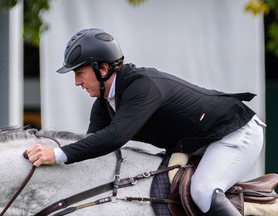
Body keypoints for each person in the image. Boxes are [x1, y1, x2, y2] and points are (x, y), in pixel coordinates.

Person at [26, 28, 265, 215]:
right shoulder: (103, 105)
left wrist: (56, 154)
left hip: (235, 133)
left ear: (104, 68)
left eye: (79, 73)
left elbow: (115, 137)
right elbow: (94, 145)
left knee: (202, 192)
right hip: (200, 143)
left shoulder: (142, 87)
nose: (77, 82)